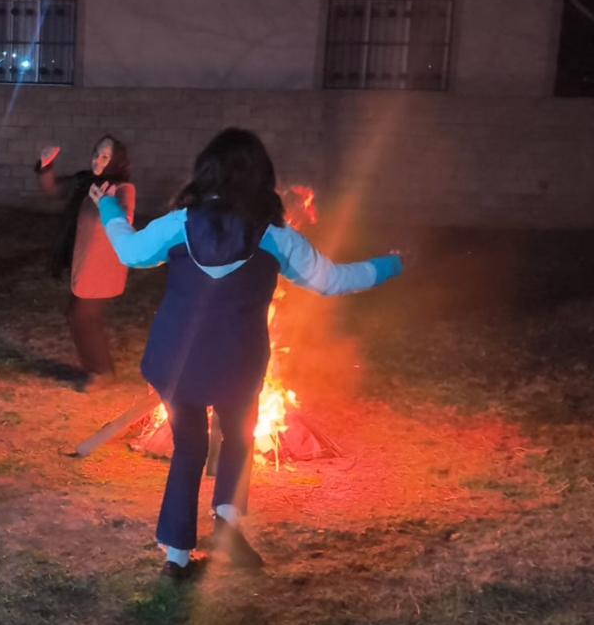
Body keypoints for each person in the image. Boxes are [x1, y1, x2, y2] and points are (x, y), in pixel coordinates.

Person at [92, 128, 403, 579]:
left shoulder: (180, 224)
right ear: (261, 178)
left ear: (206, 172)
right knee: (238, 438)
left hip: (176, 366)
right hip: (237, 368)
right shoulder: (276, 237)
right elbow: (332, 281)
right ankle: (228, 529)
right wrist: (391, 264)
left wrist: (107, 207)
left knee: (188, 450)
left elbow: (129, 251)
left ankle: (176, 561)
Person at [34, 136, 136, 391]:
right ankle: (94, 368)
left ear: (116, 160)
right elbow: (54, 190)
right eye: (96, 154)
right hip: (83, 260)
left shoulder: (123, 188)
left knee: (84, 316)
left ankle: (102, 372)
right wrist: (46, 167)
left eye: (105, 157)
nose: (98, 160)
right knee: (75, 314)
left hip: (102, 265)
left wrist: (105, 203)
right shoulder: (84, 181)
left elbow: (123, 218)